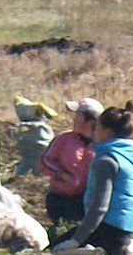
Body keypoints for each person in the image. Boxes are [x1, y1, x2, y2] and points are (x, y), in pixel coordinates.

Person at [53, 99, 133, 255]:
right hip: (125, 231)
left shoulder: (106, 160)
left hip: (105, 228)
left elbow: (100, 207)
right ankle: (122, 250)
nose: (94, 132)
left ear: (106, 132)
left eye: (97, 127)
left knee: (54, 251)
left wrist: (76, 239)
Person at [37, 97, 99, 227]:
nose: (74, 118)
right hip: (58, 198)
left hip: (83, 201)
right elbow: (45, 160)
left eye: (78, 115)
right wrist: (60, 174)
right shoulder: (64, 139)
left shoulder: (100, 146)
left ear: (90, 122)